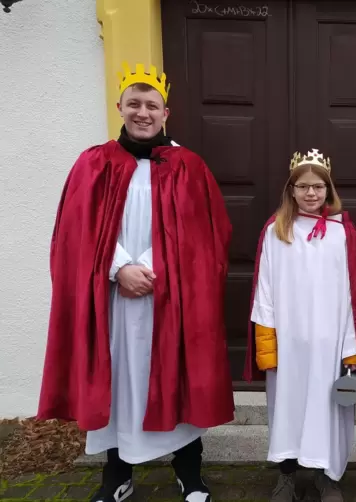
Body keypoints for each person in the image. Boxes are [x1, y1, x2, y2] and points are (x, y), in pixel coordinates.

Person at [37, 63, 234, 502]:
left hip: (174, 298)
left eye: (151, 105)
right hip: (112, 300)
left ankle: (190, 473)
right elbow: (75, 230)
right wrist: (118, 268)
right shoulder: (93, 163)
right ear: (119, 107)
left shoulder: (190, 166)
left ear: (167, 111)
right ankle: (117, 475)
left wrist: (154, 266)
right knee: (120, 382)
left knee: (178, 376)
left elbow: (208, 232)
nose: (142, 113)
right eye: (134, 104)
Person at [243, 149, 356, 502]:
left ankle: (328, 477)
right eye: (303, 187)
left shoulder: (342, 233)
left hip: (330, 343)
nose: (311, 194)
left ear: (329, 189)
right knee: (288, 409)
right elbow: (264, 290)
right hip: (289, 344)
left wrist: (351, 350)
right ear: (291, 190)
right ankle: (287, 476)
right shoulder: (276, 231)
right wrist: (267, 344)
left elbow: (353, 294)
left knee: (328, 410)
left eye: (318, 187)